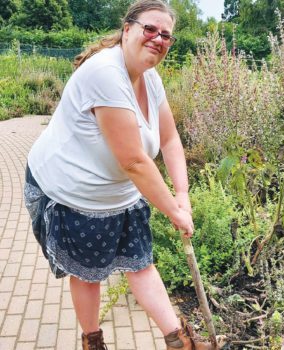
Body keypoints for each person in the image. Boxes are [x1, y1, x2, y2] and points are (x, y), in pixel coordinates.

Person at [24, 1, 215, 349]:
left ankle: (180, 342)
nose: (158, 38)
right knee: (88, 273)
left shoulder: (150, 78)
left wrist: (182, 195)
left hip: (120, 193)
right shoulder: (105, 74)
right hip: (71, 192)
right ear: (127, 29)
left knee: (141, 265)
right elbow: (134, 162)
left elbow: (170, 140)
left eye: (166, 35)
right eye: (150, 29)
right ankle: (92, 341)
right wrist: (172, 211)